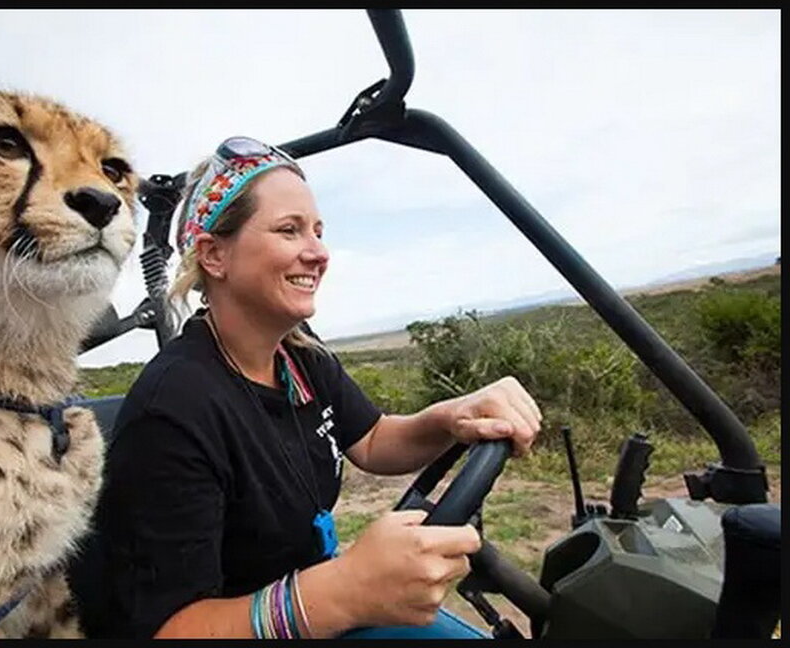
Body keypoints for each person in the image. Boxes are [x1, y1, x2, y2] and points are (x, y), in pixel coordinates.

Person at [85, 137, 542, 639]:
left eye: (318, 232)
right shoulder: (174, 409)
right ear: (214, 255)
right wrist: (343, 589)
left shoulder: (300, 354)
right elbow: (171, 631)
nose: (319, 252)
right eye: (290, 230)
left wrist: (452, 418)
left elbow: (371, 440)